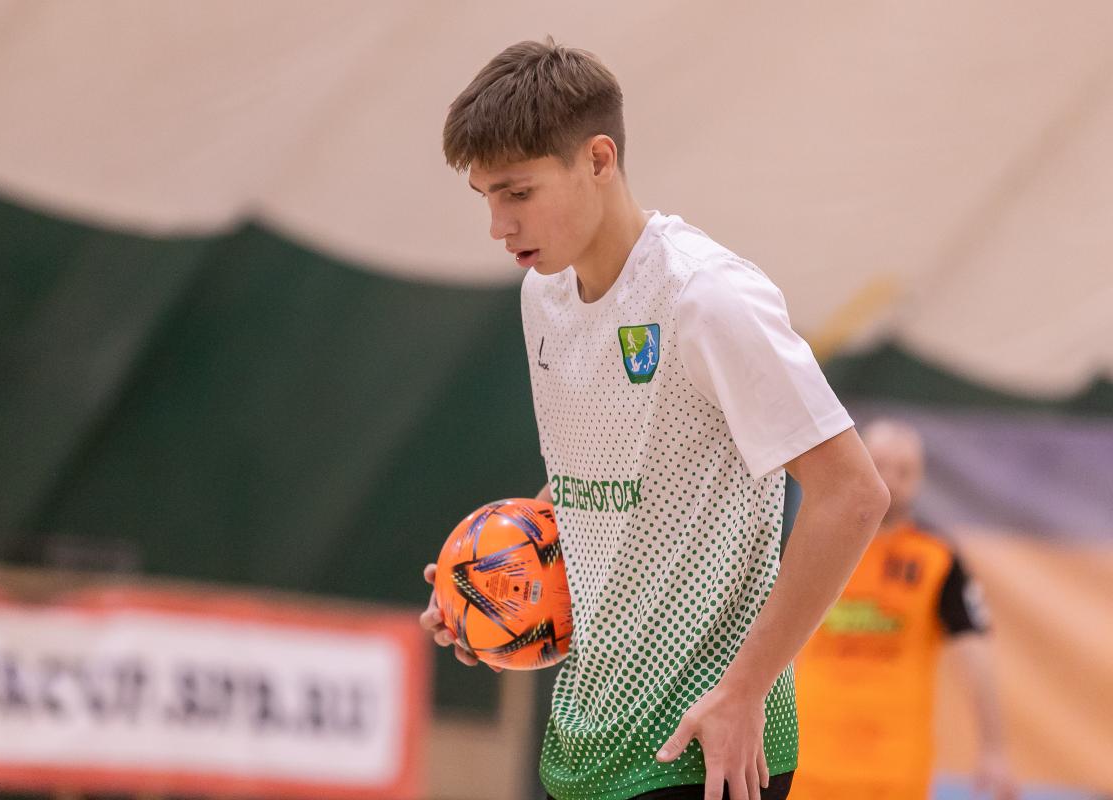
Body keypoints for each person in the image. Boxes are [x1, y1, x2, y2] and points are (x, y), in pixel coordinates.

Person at [418, 38, 890, 800]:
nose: (498, 225)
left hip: (708, 746)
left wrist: (744, 691)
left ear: (598, 159)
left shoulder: (708, 298)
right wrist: (490, 592)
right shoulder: (543, 295)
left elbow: (853, 494)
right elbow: (595, 483)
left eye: (518, 193)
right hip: (588, 745)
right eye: (486, 198)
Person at [790, 419, 1019, 800]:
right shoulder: (812, 545)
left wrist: (993, 749)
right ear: (858, 464)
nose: (890, 480)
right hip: (806, 767)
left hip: (894, 773)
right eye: (879, 465)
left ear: (919, 480)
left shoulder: (937, 560)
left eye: (904, 470)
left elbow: (977, 654)